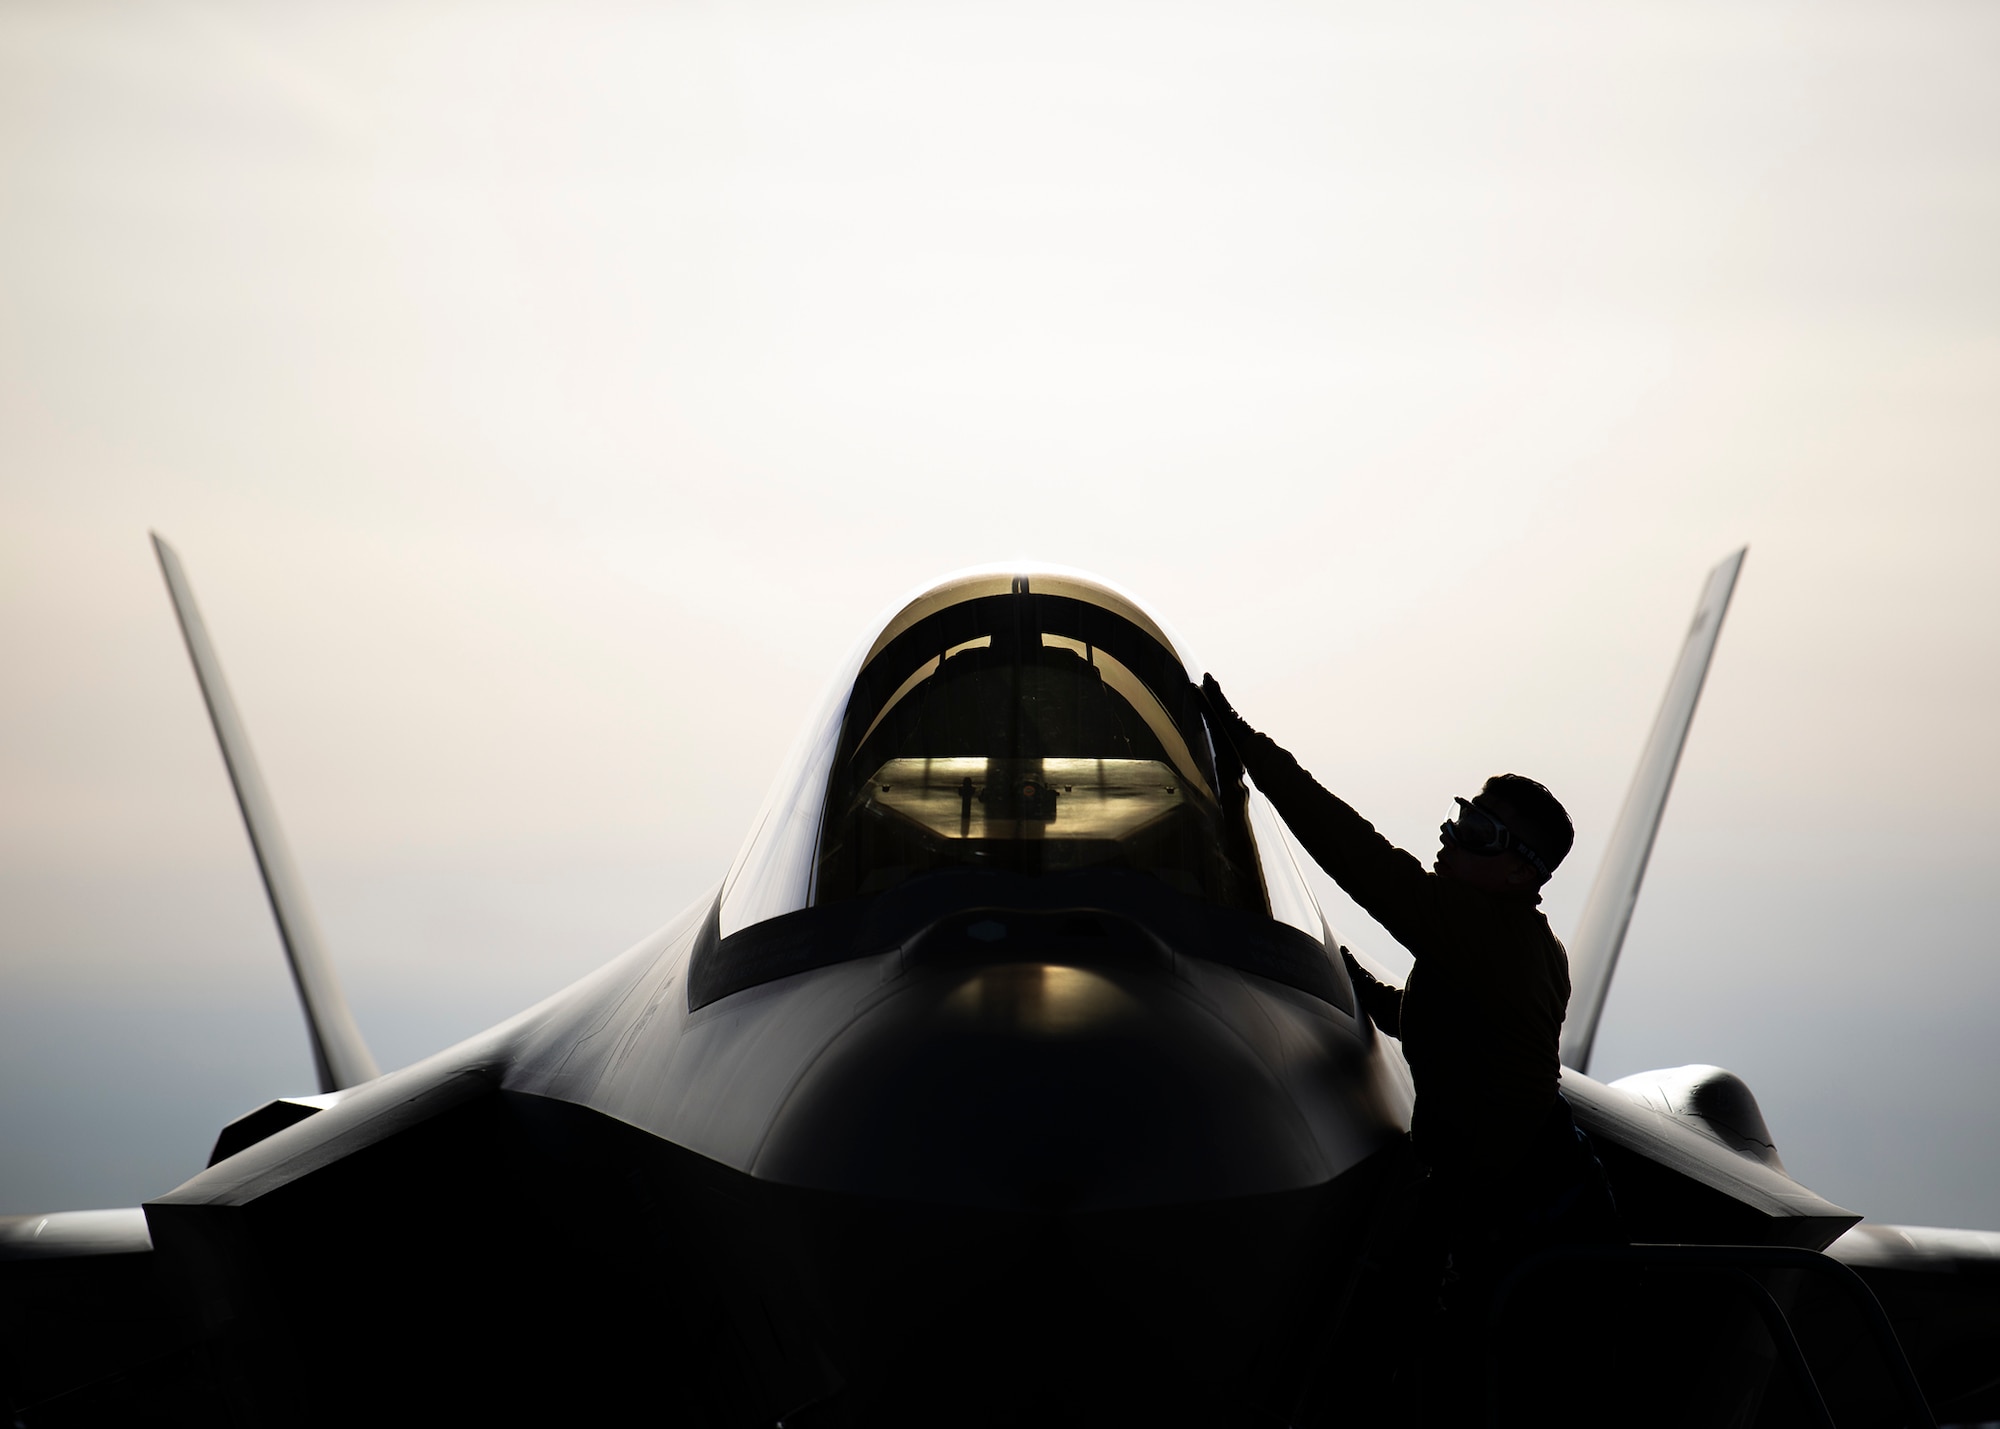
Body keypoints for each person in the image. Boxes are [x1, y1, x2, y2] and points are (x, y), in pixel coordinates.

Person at [1198, 675, 1618, 1418]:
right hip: (1510, 1196)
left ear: (1523, 870)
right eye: (1461, 818)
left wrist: (1249, 748)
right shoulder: (1513, 944)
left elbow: (1362, 860)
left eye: (1480, 835)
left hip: (1518, 1220)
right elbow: (1453, 1025)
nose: (1450, 840)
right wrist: (1346, 979)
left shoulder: (1480, 933)